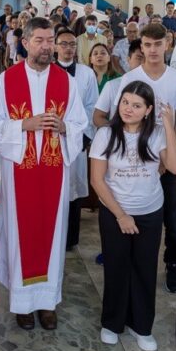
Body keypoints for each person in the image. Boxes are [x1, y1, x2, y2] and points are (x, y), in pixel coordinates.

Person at [0, 17, 88, 330]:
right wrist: (23, 126)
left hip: (54, 175)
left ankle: (46, 302)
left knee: (52, 234)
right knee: (21, 232)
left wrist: (65, 127)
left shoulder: (66, 81)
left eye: (50, 39)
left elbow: (81, 124)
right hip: (20, 175)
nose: (47, 46)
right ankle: (23, 303)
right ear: (25, 43)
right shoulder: (7, 80)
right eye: (39, 40)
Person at [95, 23, 176, 293]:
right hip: (137, 160)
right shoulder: (130, 78)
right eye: (147, 45)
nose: (152, 50)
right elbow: (122, 118)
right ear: (141, 46)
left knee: (173, 220)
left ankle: (172, 263)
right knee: (136, 212)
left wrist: (165, 159)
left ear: (167, 44)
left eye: (157, 44)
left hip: (167, 158)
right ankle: (128, 261)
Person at [91, 81, 176, 351]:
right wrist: (120, 215)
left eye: (137, 105)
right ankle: (112, 323)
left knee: (144, 269)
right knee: (117, 267)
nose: (129, 109)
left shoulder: (156, 134)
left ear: (148, 109)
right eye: (125, 102)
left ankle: (142, 326)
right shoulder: (106, 135)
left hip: (150, 213)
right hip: (115, 212)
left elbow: (175, 167)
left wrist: (167, 124)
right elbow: (97, 180)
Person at [57, 29, 100, 253]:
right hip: (52, 140)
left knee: (73, 188)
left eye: (72, 44)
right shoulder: (48, 72)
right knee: (54, 190)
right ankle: (53, 235)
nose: (68, 48)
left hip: (76, 139)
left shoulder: (86, 73)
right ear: (55, 47)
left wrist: (84, 135)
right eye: (63, 44)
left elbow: (92, 105)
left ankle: (70, 238)